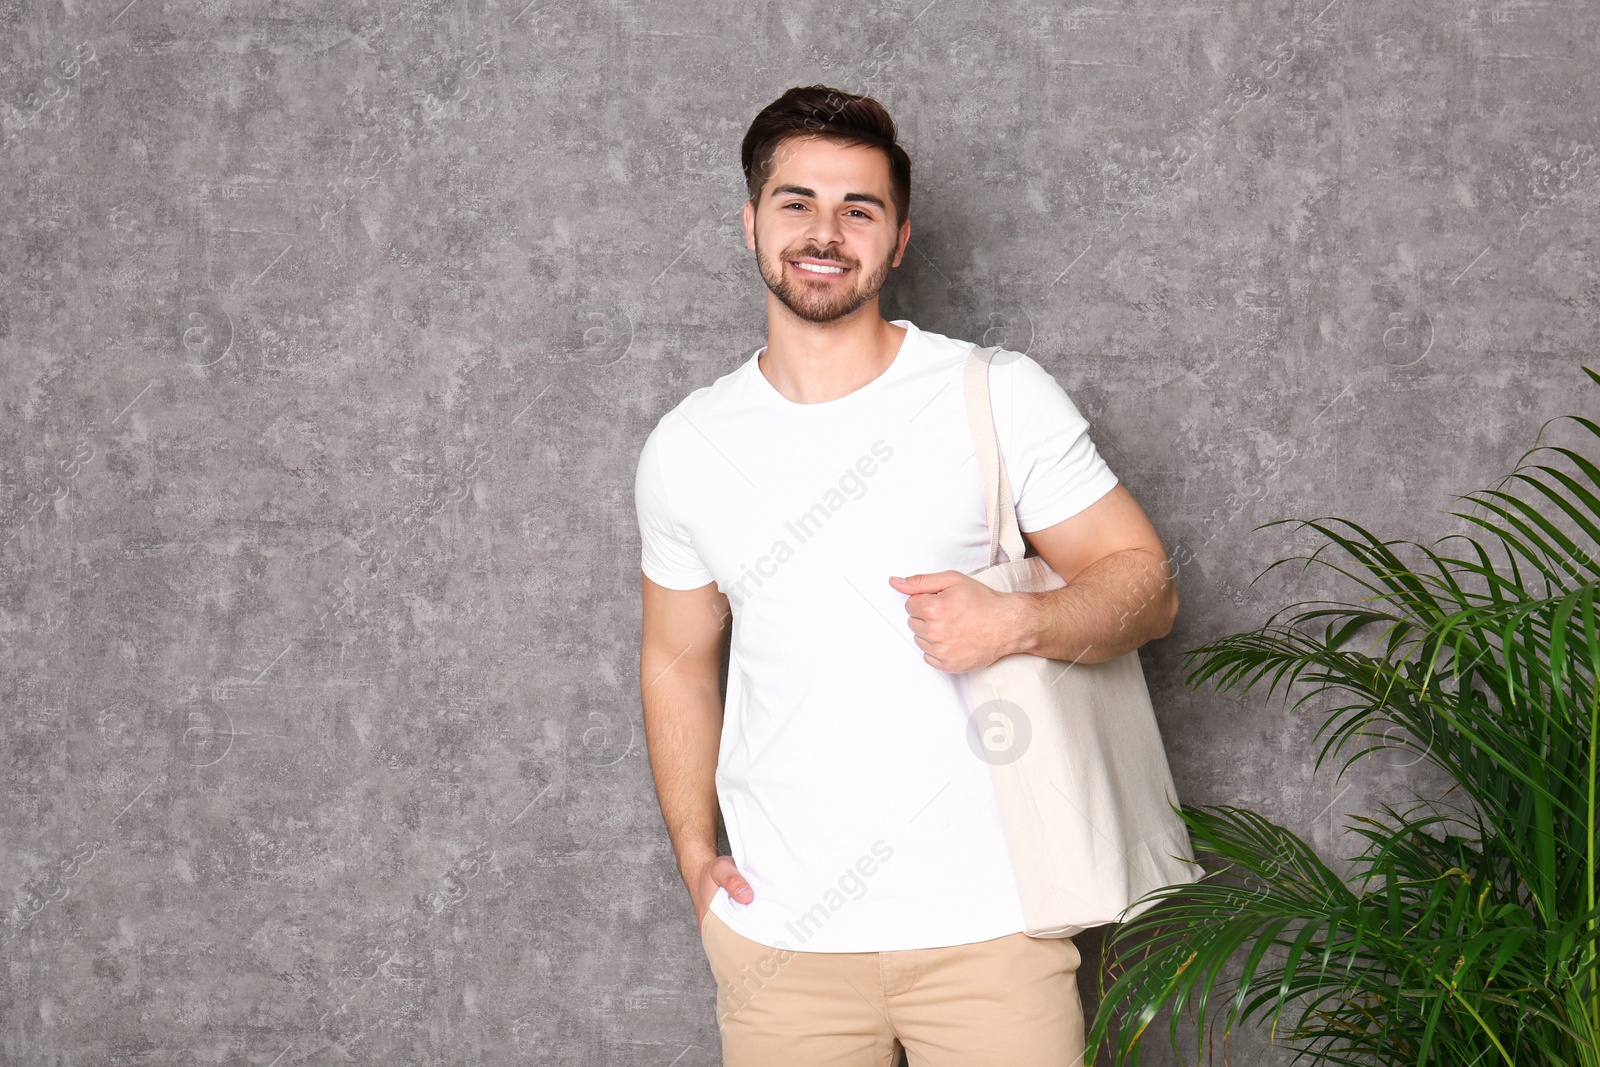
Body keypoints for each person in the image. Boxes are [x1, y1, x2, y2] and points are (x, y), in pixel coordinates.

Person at [634, 84, 1178, 1067]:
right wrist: (691, 852)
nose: (824, 231)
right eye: (796, 201)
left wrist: (1020, 622)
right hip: (779, 943)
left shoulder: (993, 393)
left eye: (859, 208)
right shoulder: (687, 444)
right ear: (750, 220)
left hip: (991, 931)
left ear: (898, 238)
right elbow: (675, 657)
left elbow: (1145, 582)